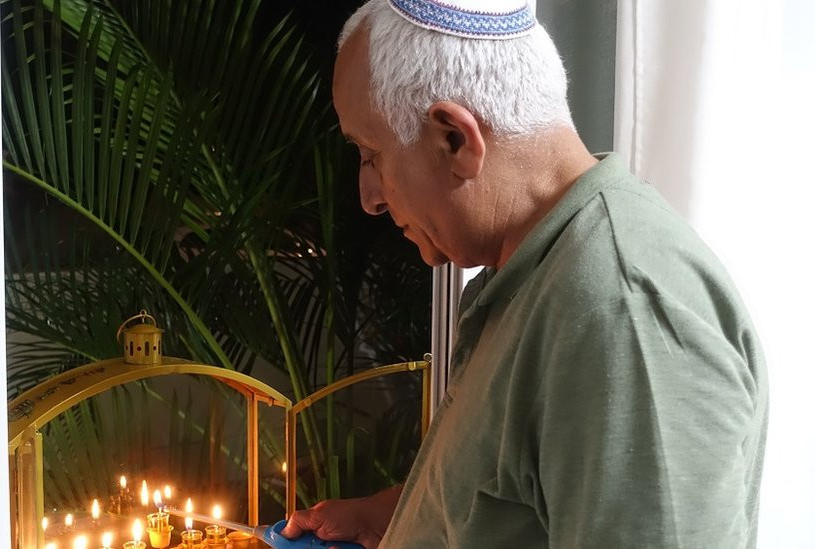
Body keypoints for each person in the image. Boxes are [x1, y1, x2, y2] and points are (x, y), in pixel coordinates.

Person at [282, 0, 769, 547]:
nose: (368, 197)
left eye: (371, 155)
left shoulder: (623, 314)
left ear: (455, 140)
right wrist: (396, 517)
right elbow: (524, 492)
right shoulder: (539, 269)